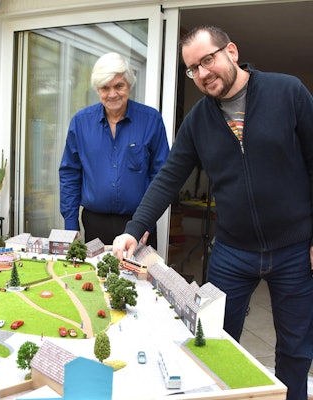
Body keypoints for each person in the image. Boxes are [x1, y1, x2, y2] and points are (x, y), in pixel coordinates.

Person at [113, 26, 313, 400]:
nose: (203, 73)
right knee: (213, 340)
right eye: (193, 68)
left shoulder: (288, 92)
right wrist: (134, 228)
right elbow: (168, 178)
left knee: (296, 350)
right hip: (232, 253)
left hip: (294, 250)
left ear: (231, 52)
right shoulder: (197, 121)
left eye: (208, 60)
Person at [59, 52, 169, 246]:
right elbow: (70, 174)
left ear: (129, 85)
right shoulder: (81, 123)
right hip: (94, 224)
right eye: (105, 88)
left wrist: (148, 222)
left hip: (138, 224)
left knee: (138, 269)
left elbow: (161, 177)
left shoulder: (151, 120)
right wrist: (70, 223)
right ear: (97, 89)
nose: (112, 94)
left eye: (119, 86)